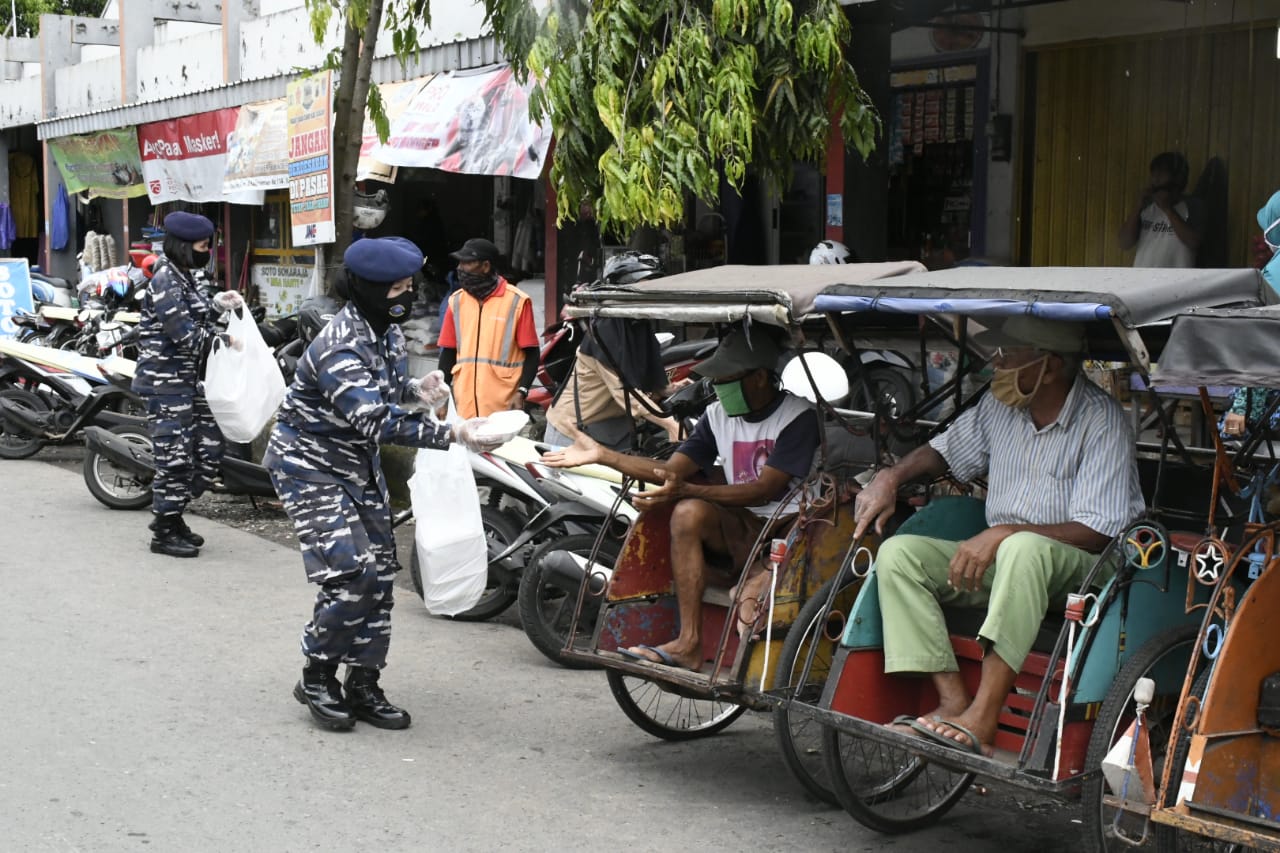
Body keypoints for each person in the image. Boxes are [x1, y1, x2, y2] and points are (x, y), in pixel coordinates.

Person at [852, 315, 1144, 755]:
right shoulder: (999, 405)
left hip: (1088, 569)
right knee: (899, 554)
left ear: (1051, 367)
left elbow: (1098, 530)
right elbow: (943, 450)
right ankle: (952, 701)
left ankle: (983, 716)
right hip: (1009, 560)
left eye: (1011, 355)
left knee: (1022, 548)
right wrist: (891, 477)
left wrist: (1006, 533)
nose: (999, 363)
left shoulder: (1102, 421)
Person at [263, 237, 503, 732]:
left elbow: (387, 390)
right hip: (308, 465)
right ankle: (317, 673)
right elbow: (374, 419)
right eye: (398, 287)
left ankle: (364, 681)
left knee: (381, 571)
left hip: (355, 463)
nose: (407, 296)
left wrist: (418, 390)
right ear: (368, 288)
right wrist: (453, 433)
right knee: (351, 572)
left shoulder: (384, 330)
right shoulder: (339, 343)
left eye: (410, 285)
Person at [542, 328, 820, 670]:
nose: (719, 387)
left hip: (786, 528)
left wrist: (687, 489)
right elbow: (671, 472)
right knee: (687, 513)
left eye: (728, 379)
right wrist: (602, 455)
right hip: (740, 526)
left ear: (760, 377)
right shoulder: (718, 415)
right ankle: (688, 642)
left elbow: (764, 489)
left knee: (689, 501)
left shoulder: (798, 416)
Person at [132, 211, 243, 559]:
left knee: (206, 450)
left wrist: (217, 305)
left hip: (189, 383)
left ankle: (175, 516)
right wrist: (225, 340)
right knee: (175, 458)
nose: (206, 251)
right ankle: (164, 530)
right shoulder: (165, 279)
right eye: (202, 245)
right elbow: (185, 336)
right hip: (165, 384)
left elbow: (198, 316)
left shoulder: (186, 277)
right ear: (182, 246)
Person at [544, 252, 684, 450]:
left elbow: (647, 377)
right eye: (646, 285)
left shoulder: (638, 323)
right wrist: (670, 424)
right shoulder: (606, 329)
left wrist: (670, 389)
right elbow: (626, 392)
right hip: (572, 432)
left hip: (611, 432)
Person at [436, 237, 539, 419]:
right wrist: (442, 395)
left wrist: (522, 391)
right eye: (460, 262)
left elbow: (532, 352)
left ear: (485, 266)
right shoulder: (457, 301)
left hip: (504, 406)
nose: (460, 268)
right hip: (465, 405)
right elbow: (448, 352)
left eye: (467, 263)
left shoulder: (517, 301)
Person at [1119, 151, 1201, 268]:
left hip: (1178, 282)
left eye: (1161, 173)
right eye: (1153, 173)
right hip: (1145, 280)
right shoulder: (1147, 207)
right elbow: (1124, 243)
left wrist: (1167, 209)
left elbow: (1194, 242)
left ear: (1177, 178)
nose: (1155, 178)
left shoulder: (1192, 205)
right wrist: (1137, 207)